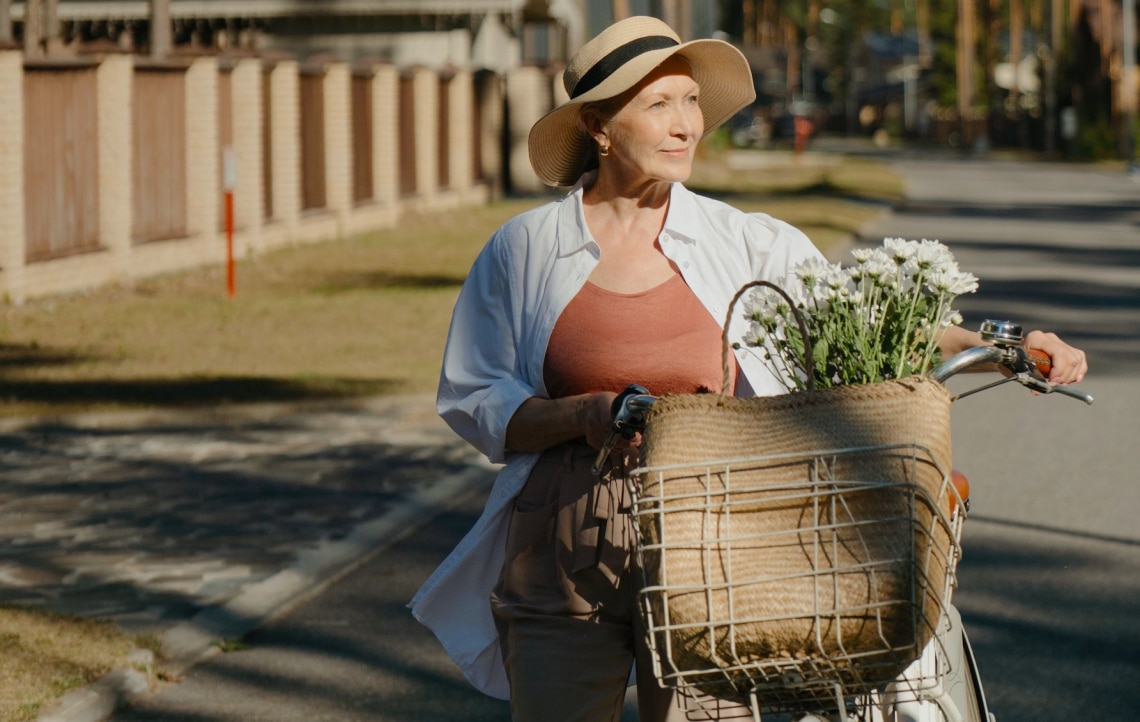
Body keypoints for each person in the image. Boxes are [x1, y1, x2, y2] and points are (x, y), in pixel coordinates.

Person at [410, 15, 1088, 722]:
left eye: (691, 101)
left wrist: (1005, 346)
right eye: (658, 105)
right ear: (600, 128)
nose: (686, 125)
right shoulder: (524, 251)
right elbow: (475, 397)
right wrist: (585, 413)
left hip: (717, 542)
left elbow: (855, 319)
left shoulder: (743, 241)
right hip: (566, 542)